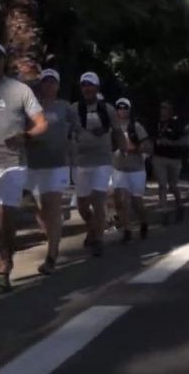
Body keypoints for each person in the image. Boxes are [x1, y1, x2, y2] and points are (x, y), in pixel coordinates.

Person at [0, 41, 48, 293]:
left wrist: (26, 135)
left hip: (12, 163)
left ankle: (4, 264)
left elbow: (41, 123)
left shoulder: (20, 90)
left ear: (4, 61)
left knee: (6, 214)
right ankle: (7, 245)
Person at [25, 69, 79, 275]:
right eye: (45, 82)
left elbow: (77, 129)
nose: (48, 85)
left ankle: (52, 255)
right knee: (40, 210)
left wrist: (74, 146)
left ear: (58, 85)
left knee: (52, 206)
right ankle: (53, 235)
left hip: (57, 164)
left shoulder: (64, 107)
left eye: (52, 82)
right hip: (33, 164)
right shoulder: (30, 106)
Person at [71, 72, 124, 257]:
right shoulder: (74, 109)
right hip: (81, 162)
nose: (87, 88)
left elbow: (117, 131)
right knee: (82, 206)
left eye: (90, 85)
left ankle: (98, 241)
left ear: (97, 87)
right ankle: (93, 227)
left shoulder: (107, 109)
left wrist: (123, 149)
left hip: (102, 160)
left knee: (98, 200)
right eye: (84, 85)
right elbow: (65, 131)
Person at [113, 98, 152, 242]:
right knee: (121, 201)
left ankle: (144, 222)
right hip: (119, 169)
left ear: (129, 110)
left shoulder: (136, 127)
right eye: (119, 108)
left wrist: (134, 149)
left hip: (136, 169)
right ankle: (127, 230)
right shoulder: (112, 127)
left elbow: (148, 147)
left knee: (137, 202)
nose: (122, 111)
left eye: (125, 108)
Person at [151, 100, 185, 224]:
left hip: (174, 158)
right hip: (159, 157)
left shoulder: (176, 124)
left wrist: (169, 142)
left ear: (170, 111)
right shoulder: (156, 123)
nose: (163, 111)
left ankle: (179, 206)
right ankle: (164, 212)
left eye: (165, 108)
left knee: (173, 185)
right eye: (161, 108)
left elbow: (182, 141)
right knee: (162, 184)